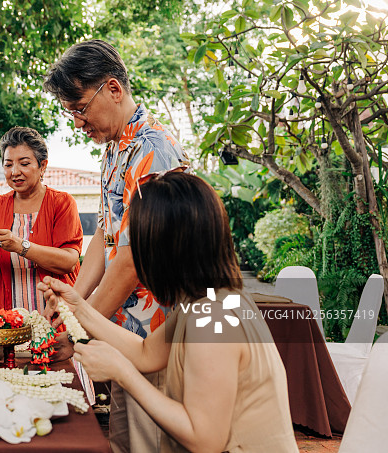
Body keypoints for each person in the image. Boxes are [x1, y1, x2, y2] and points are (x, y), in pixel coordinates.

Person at [39, 172, 297, 452]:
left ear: (162, 250)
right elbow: (146, 352)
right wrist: (78, 306)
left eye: (136, 242)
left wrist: (122, 372)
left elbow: (205, 440)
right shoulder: (206, 298)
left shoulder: (212, 318)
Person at [43, 39, 190, 452]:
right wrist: (76, 305)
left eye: (80, 108)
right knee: (125, 443)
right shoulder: (114, 150)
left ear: (112, 88)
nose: (77, 122)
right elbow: (103, 241)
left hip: (155, 337)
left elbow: (132, 260)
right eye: (70, 112)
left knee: (151, 444)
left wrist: (80, 324)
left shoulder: (152, 151)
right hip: (124, 332)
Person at [0, 126, 82, 313]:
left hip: (55, 315)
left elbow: (68, 261)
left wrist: (20, 246)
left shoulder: (61, 203)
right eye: (8, 165)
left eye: (24, 163)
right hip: (3, 320)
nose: (15, 172)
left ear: (42, 166)